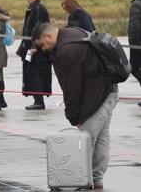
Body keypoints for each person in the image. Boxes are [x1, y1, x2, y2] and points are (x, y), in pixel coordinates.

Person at [33, 23, 117, 189]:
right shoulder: (73, 32)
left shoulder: (67, 51)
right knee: (101, 137)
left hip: (97, 96)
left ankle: (82, 181)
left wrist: (74, 116)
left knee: (85, 142)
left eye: (42, 44)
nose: (43, 49)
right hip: (109, 90)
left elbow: (72, 86)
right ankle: (96, 179)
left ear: (48, 36)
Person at [17, 0, 51, 110]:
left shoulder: (38, 9)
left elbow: (38, 29)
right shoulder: (33, 9)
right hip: (31, 47)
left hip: (35, 48)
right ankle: (37, 99)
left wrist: (33, 46)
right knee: (30, 71)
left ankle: (39, 101)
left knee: (34, 72)